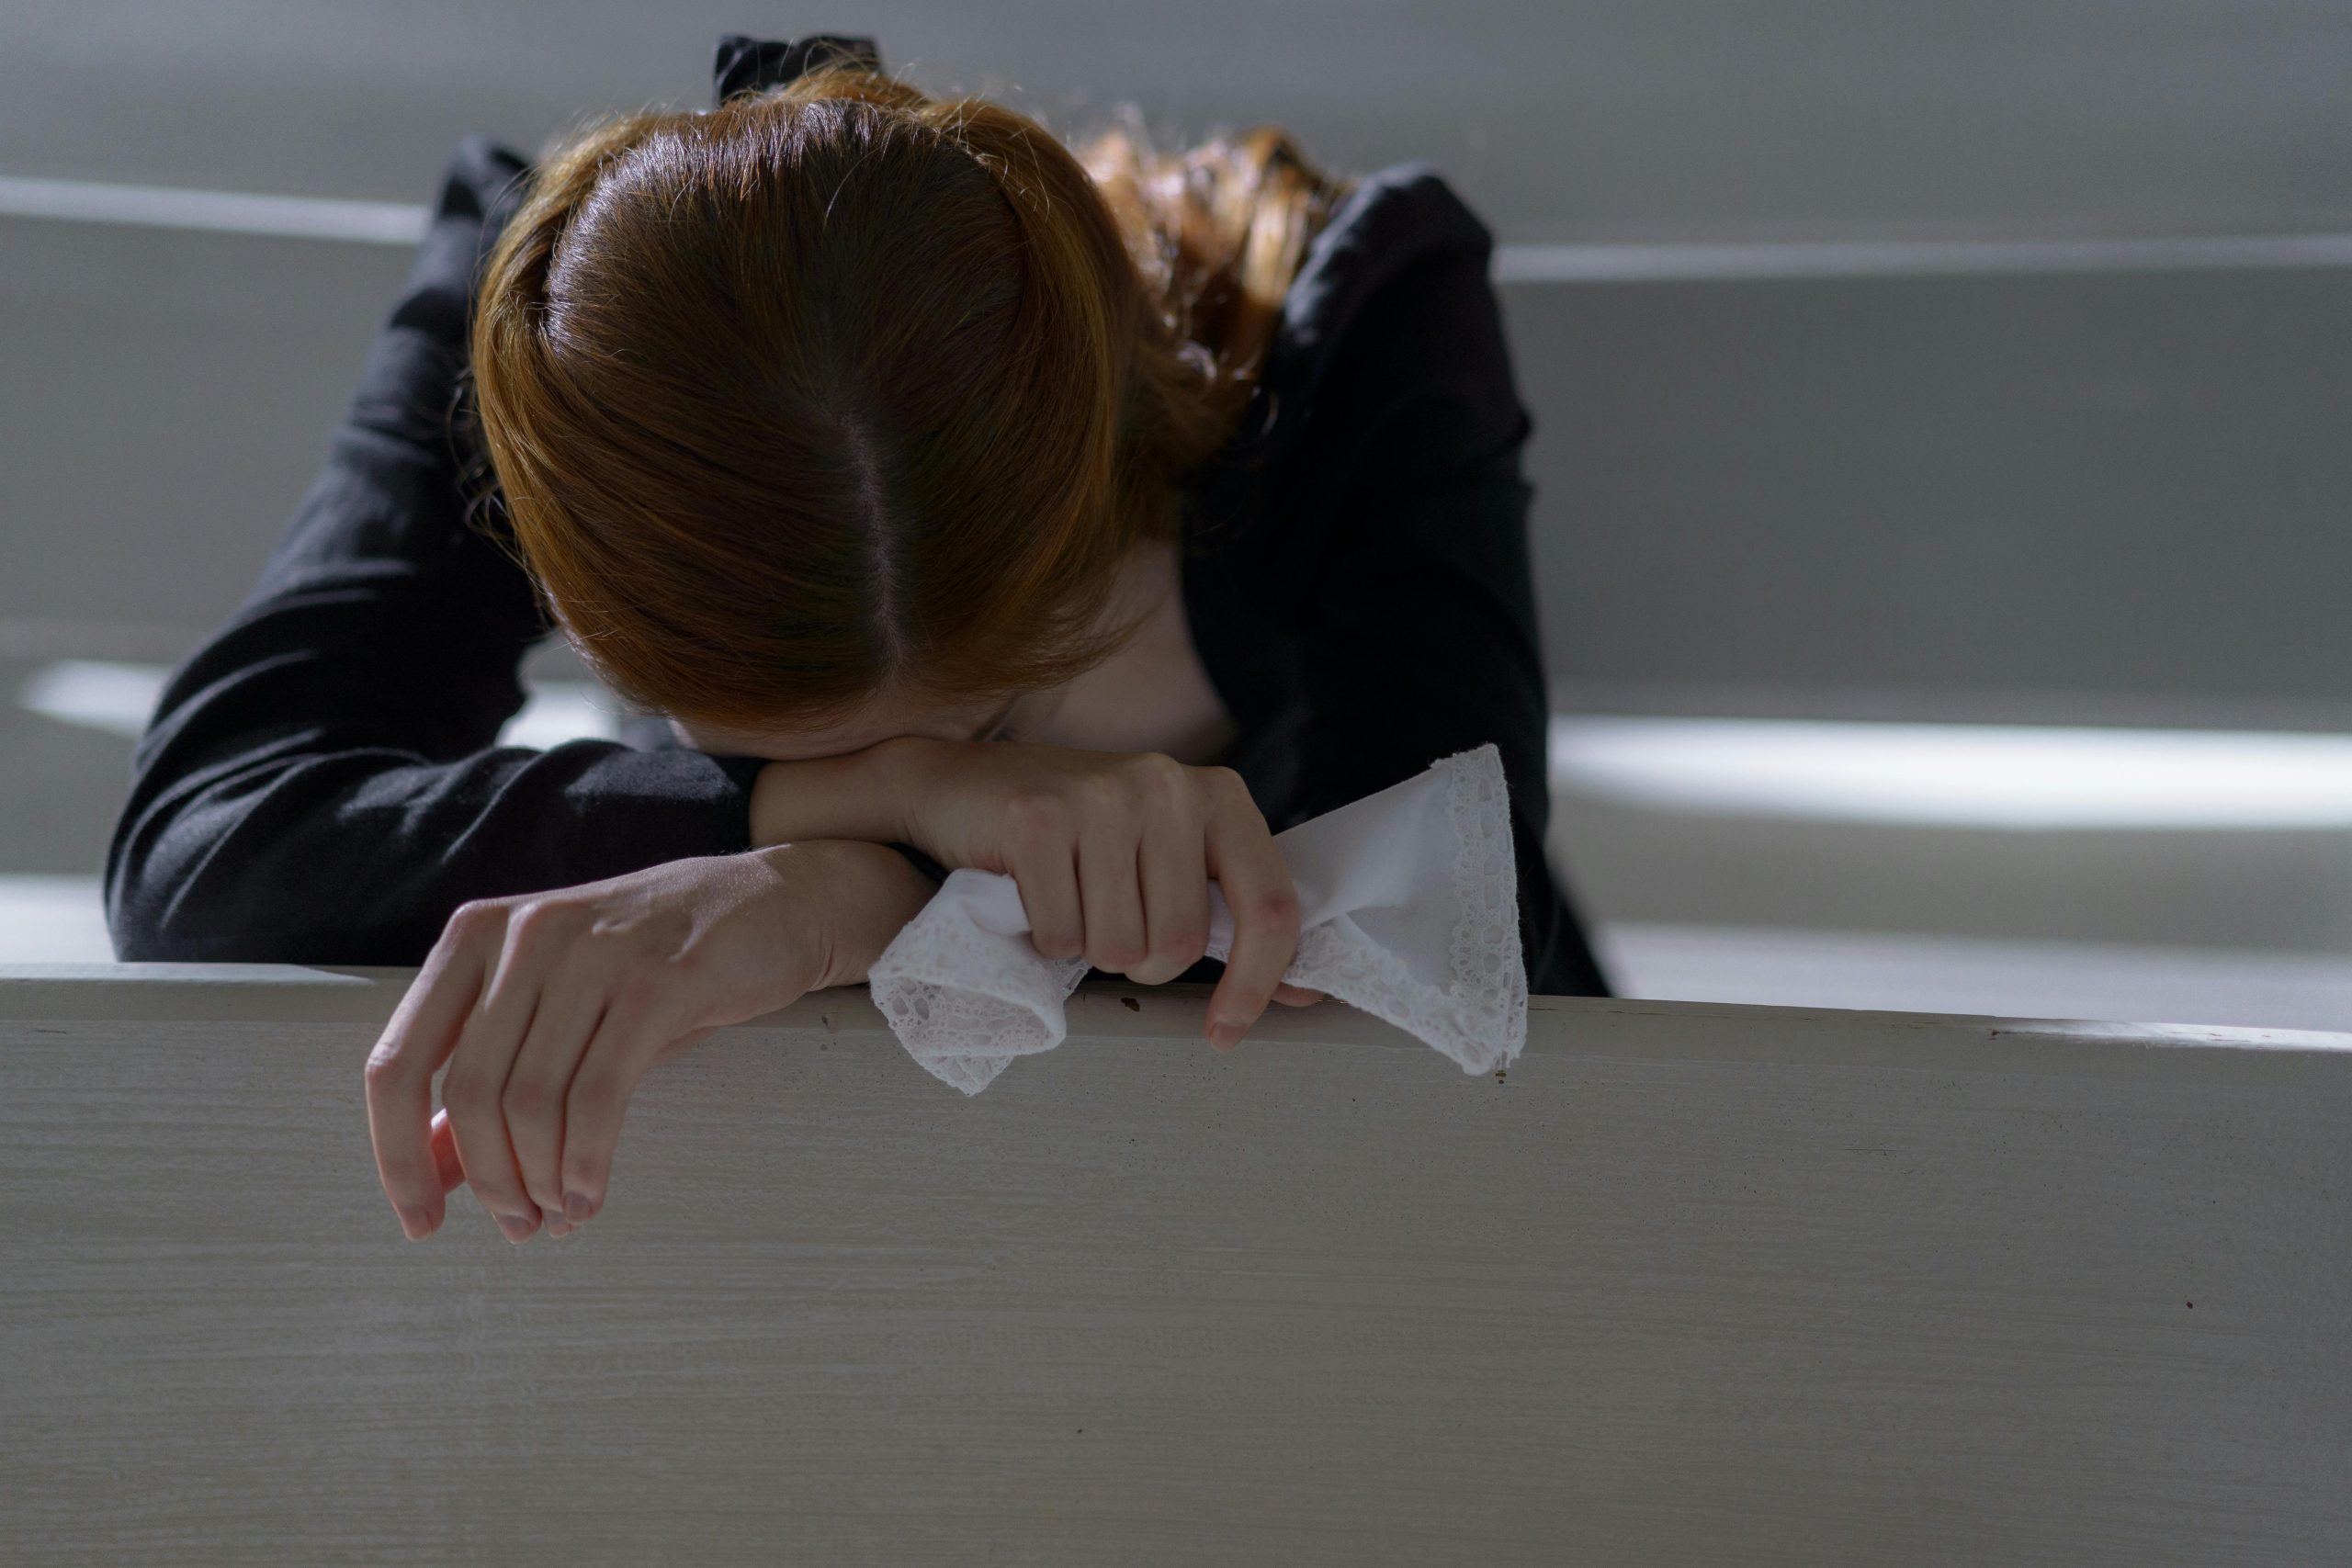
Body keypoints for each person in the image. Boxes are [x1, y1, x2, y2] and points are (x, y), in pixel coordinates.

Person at [104, 34, 1611, 1247]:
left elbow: (1474, 948)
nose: (935, 780)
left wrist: (846, 903)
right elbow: (203, 843)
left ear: (1090, 504)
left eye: (999, 728)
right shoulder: (563, 348)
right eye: (757, 747)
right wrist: (837, 836)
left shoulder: (1354, 334)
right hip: (778, 1210)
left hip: (1304, 1235)